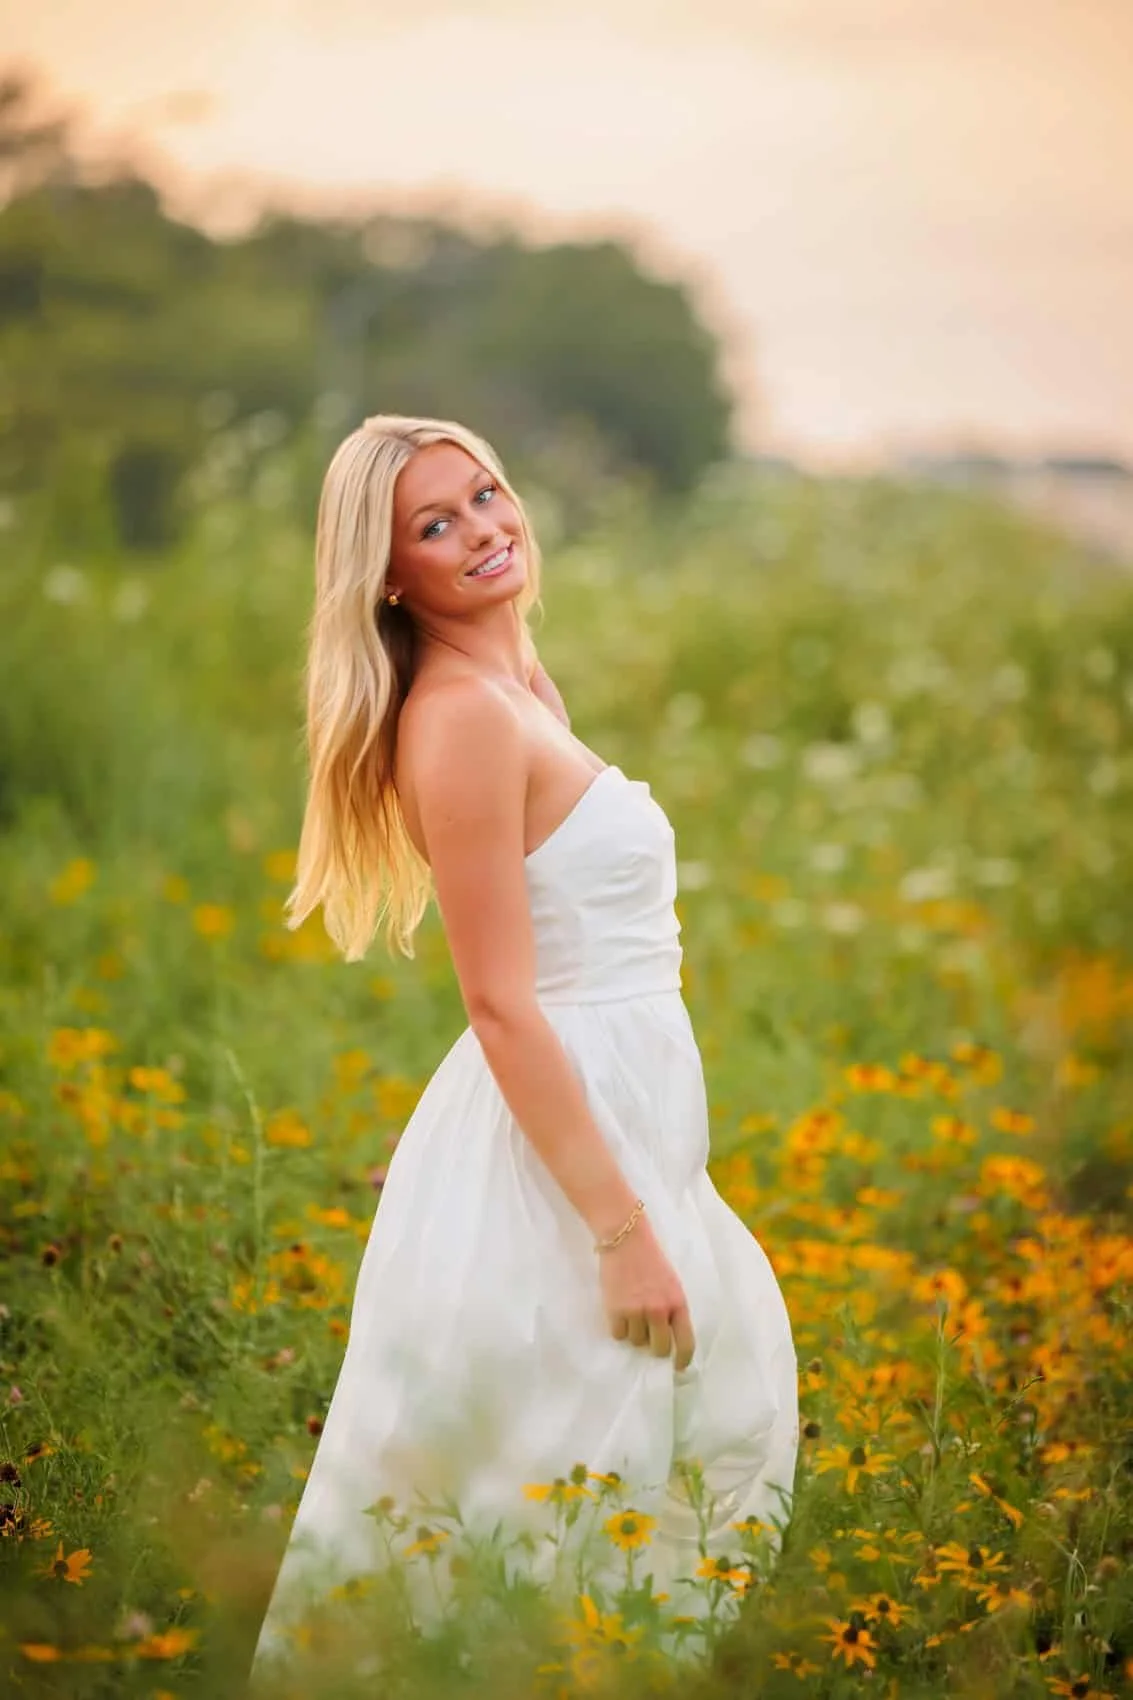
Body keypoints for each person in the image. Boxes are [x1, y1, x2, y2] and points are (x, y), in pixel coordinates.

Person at [251, 413, 799, 1671]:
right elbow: (499, 999)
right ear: (389, 575)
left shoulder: (520, 687)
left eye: (484, 495)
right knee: (550, 1483)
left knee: (659, 1447)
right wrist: (617, 1231)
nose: (483, 531)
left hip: (628, 1110)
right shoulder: (460, 720)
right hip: (556, 1145)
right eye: (434, 526)